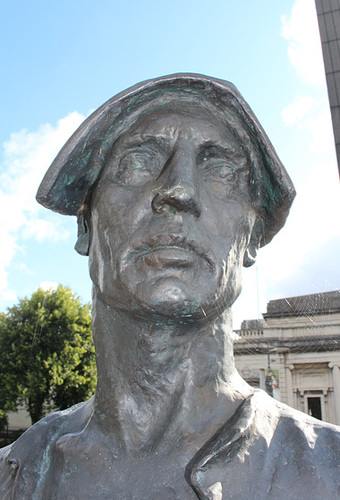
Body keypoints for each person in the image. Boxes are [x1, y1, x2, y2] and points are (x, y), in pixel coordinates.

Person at [0, 74, 339, 499]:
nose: (179, 190)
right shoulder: (16, 473)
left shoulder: (329, 470)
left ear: (250, 238)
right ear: (86, 225)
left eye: (221, 170)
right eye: (138, 160)